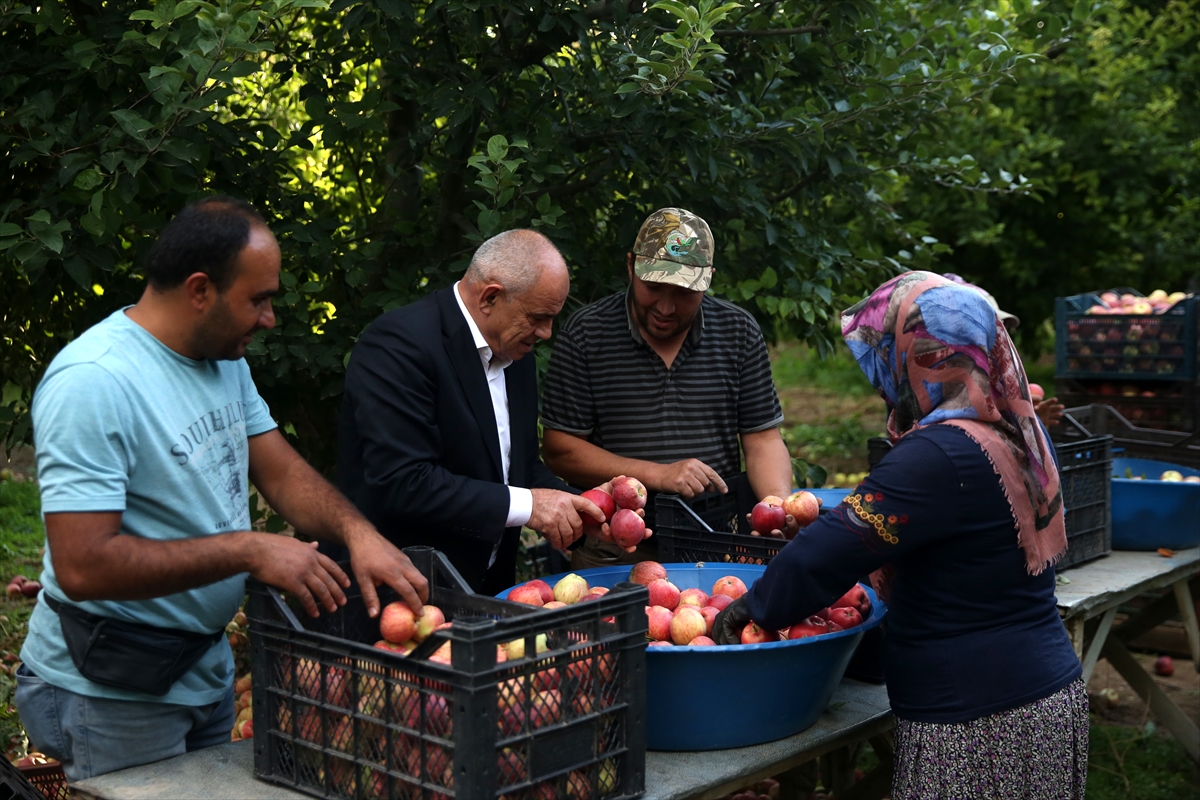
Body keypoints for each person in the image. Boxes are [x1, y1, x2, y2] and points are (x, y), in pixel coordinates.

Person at [16, 197, 429, 782]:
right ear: (200, 290)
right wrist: (250, 549)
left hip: (198, 670)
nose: (268, 318)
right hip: (111, 692)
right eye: (258, 299)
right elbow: (85, 565)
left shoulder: (220, 359)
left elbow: (280, 471)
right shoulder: (95, 383)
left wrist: (357, 532)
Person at [715, 272, 1087, 799]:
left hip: (978, 723)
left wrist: (753, 608)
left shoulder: (935, 453)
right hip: (1041, 698)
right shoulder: (1012, 428)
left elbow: (833, 547)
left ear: (918, 354)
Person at [336, 230, 631, 595]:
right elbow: (405, 482)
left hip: (487, 592)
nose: (546, 333)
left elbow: (516, 468)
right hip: (401, 593)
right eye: (538, 317)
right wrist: (532, 505)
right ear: (490, 297)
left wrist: (577, 505)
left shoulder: (513, 348)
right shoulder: (398, 346)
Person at [540, 208, 795, 567]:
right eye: (654, 286)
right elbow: (559, 450)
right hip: (614, 547)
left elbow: (763, 441)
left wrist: (776, 508)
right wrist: (659, 474)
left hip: (716, 540)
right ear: (631, 267)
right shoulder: (587, 334)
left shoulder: (739, 332)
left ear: (707, 281)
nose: (665, 306)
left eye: (683, 292)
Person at [943, 273, 1066, 426]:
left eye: (1000, 328)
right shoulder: (947, 384)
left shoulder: (993, 379)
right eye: (988, 327)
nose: (998, 338)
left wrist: (1025, 421)